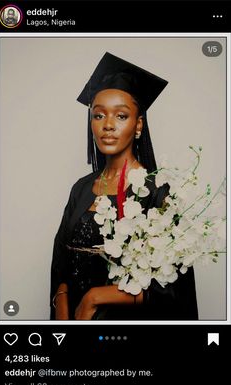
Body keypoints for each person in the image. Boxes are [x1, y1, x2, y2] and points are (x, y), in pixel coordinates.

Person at [50, 52, 198, 321]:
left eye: (121, 115)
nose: (107, 125)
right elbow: (61, 257)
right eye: (98, 116)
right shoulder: (81, 189)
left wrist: (94, 297)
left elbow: (173, 287)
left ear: (138, 124)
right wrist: (61, 303)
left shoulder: (157, 193)